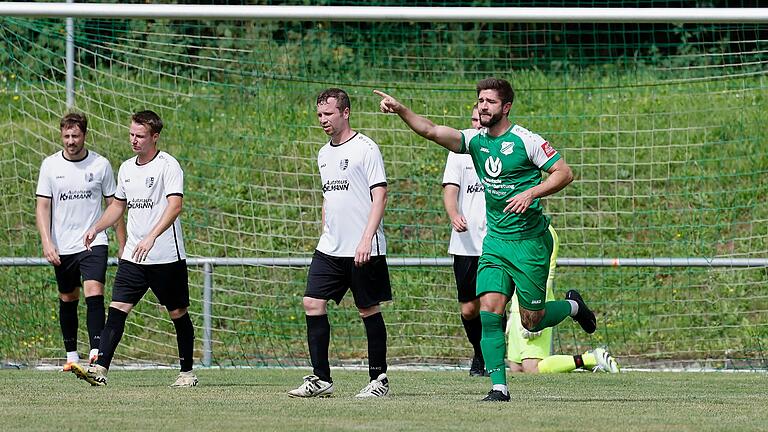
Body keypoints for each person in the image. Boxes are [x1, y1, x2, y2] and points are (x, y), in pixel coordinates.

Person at [375, 78, 597, 402]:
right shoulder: (474, 141)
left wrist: (531, 192)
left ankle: (573, 307)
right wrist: (401, 110)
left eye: (490, 101)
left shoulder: (526, 141)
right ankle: (499, 387)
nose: (483, 106)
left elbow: (564, 172)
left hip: (529, 243)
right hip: (495, 242)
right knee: (489, 312)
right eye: (480, 100)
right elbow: (432, 131)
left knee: (531, 322)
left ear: (506, 107)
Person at [71, 110, 197, 388]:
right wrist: (97, 226)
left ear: (155, 137)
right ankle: (100, 369)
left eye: (140, 136)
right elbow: (118, 205)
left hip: (165, 257)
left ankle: (187, 372)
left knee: (177, 314)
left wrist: (152, 236)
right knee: (117, 310)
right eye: (131, 134)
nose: (134, 140)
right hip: (133, 258)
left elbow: (175, 206)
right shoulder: (127, 167)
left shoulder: (168, 165)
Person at [288, 88, 392, 399]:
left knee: (367, 309)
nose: (323, 120)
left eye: (329, 114)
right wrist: (325, 230)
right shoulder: (323, 153)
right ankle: (321, 378)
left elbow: (380, 196)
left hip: (363, 247)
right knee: (312, 303)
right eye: (320, 115)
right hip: (330, 247)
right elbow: (328, 197)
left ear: (345, 112)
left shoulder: (366, 148)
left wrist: (366, 239)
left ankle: (379, 380)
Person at [35, 112, 126, 371]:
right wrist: (46, 242)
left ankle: (96, 354)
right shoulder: (50, 166)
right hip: (62, 245)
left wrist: (122, 244)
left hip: (93, 242)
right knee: (68, 297)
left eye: (76, 135)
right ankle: (72, 356)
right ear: (61, 135)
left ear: (84, 135)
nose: (71, 141)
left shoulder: (100, 165)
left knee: (94, 292)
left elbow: (114, 206)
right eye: (67, 136)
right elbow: (42, 207)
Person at [506, 226, 619, 374]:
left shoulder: (543, 231)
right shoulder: (513, 229)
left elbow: (545, 277)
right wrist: (512, 314)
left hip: (535, 306)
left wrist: (536, 312)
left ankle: (591, 359)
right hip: (516, 308)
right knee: (516, 368)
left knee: (532, 368)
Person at [442, 105, 488, 377]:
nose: (477, 123)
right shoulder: (459, 152)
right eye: (472, 118)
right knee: (469, 309)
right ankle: (479, 351)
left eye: (480, 118)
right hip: (466, 243)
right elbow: (450, 190)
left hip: (495, 241)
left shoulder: (503, 148)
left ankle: (491, 357)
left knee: (492, 303)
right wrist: (454, 214)